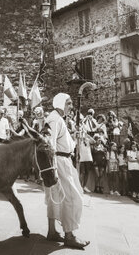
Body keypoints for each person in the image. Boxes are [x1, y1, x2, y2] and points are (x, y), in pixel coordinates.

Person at [44, 93, 89, 249]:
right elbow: (50, 144)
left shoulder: (57, 118)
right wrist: (54, 168)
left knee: (54, 197)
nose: (71, 106)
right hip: (59, 162)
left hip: (61, 161)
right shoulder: (55, 119)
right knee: (71, 197)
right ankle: (69, 235)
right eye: (68, 103)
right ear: (60, 104)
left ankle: (52, 231)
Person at [78, 128, 94, 193]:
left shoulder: (88, 140)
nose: (83, 135)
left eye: (84, 133)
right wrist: (80, 137)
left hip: (88, 158)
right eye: (82, 133)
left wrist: (87, 135)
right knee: (82, 173)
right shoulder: (79, 140)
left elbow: (93, 141)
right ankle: (80, 186)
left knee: (87, 173)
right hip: (82, 159)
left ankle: (84, 186)